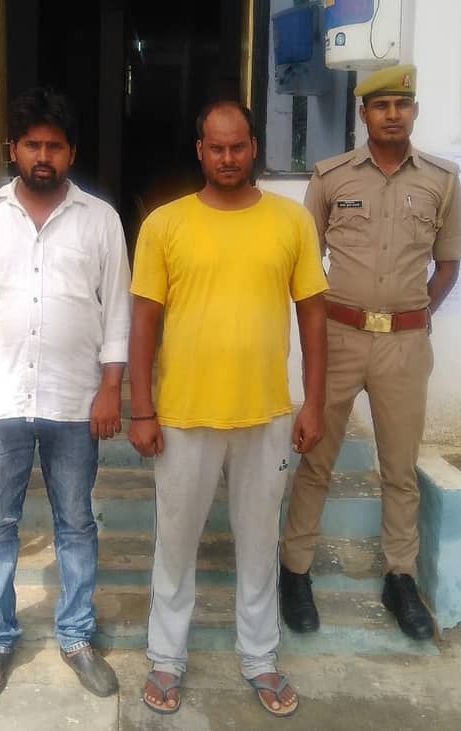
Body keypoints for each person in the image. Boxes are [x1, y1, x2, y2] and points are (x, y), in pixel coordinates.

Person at [128, 98, 328, 717]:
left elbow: (313, 318)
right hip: (183, 416)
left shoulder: (291, 221)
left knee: (259, 542)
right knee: (175, 544)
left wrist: (313, 403)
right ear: (200, 151)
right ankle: (166, 657)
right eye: (216, 147)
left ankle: (261, 656)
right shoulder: (165, 224)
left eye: (238, 146)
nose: (228, 157)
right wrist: (141, 408)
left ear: (254, 147)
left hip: (266, 415)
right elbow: (143, 321)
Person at [0, 87, 131, 703]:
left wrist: (111, 389)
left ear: (71, 152)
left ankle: (76, 635)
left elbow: (117, 312)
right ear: (13, 149)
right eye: (32, 145)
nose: (43, 156)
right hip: (0, 402)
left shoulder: (100, 220)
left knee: (76, 523)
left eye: (54, 146)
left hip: (75, 403)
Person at [280, 65, 460, 641]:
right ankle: (294, 572)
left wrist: (421, 313)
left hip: (404, 345)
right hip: (338, 336)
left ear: (414, 111)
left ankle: (400, 578)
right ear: (363, 114)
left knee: (399, 469)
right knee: (316, 459)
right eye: (380, 105)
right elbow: (304, 261)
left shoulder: (443, 180)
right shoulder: (331, 176)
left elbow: (449, 262)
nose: (392, 115)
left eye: (401, 105)